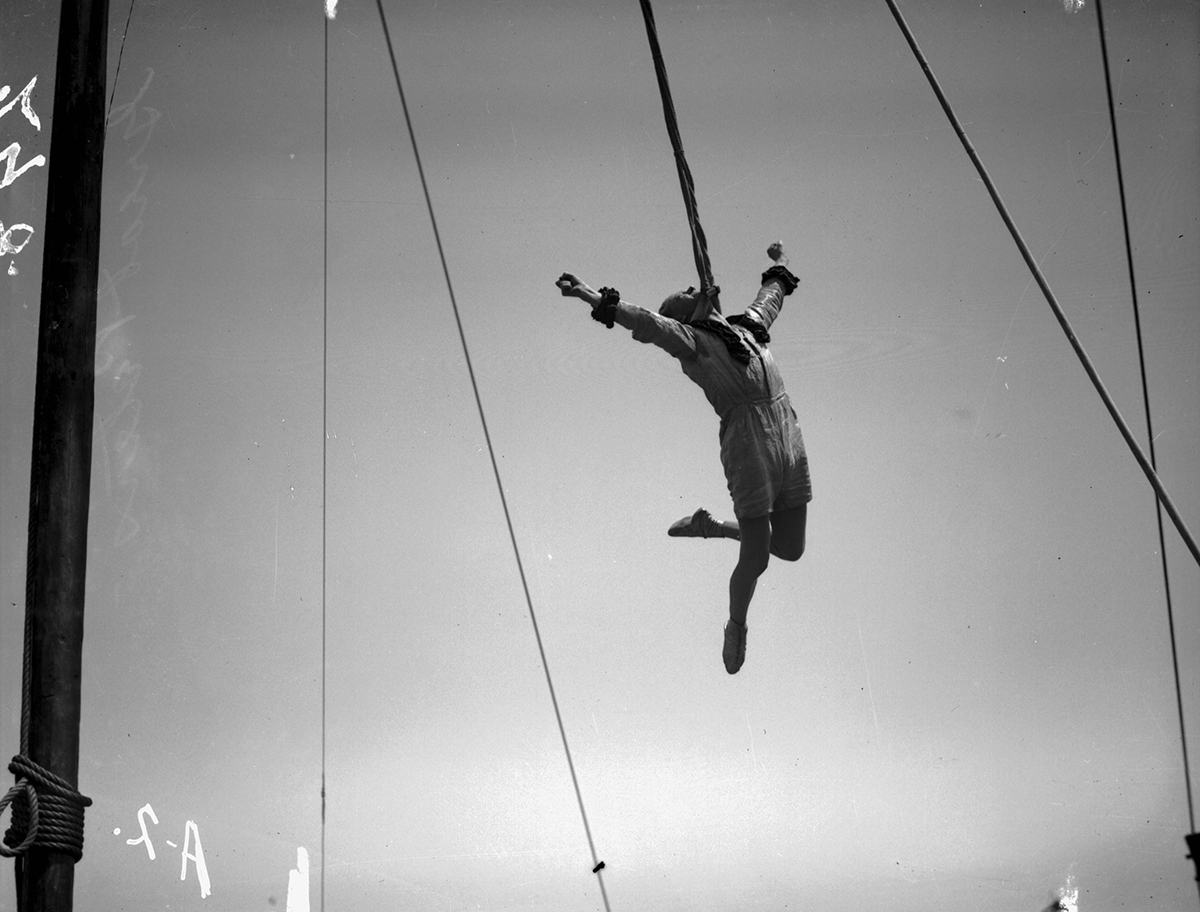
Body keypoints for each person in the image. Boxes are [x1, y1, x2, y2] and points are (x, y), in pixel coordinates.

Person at [555, 242, 810, 674]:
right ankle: (736, 626)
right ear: (685, 313)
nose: (696, 286)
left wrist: (779, 264)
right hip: (749, 444)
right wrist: (591, 296)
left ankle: (709, 527)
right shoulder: (690, 342)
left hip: (787, 433)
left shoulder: (747, 328)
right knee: (757, 559)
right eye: (687, 291)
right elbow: (648, 323)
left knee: (790, 548)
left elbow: (770, 299)